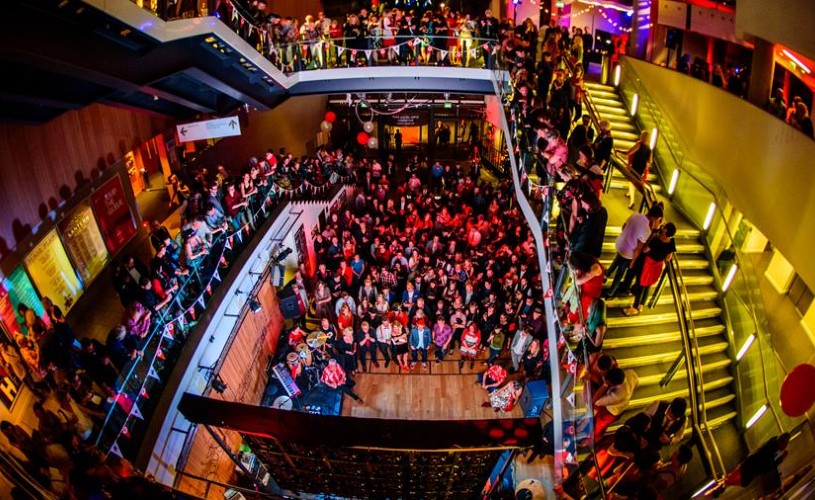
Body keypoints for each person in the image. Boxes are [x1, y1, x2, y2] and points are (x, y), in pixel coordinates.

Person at [606, 204, 663, 297]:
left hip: (620, 243)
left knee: (617, 259)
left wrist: (626, 236)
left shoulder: (635, 215)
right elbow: (638, 248)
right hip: (628, 252)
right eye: (659, 221)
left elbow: (623, 227)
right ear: (656, 218)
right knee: (620, 272)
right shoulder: (647, 230)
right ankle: (611, 291)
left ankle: (607, 274)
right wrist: (633, 261)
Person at [623, 222, 676, 316]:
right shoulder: (671, 242)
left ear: (666, 230)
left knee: (640, 283)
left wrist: (652, 238)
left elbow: (645, 250)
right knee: (648, 284)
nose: (662, 227)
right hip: (657, 266)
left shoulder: (656, 240)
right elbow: (668, 257)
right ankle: (641, 305)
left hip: (647, 264)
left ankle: (635, 307)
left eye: (664, 227)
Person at [592, 367, 639, 440]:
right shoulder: (631, 373)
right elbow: (637, 383)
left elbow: (595, 400)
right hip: (621, 405)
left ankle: (594, 440)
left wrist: (605, 385)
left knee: (599, 428)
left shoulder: (618, 395)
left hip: (610, 412)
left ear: (611, 384)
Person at [626, 130, 652, 208]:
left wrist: (619, 151)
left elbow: (629, 152)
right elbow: (650, 161)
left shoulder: (639, 145)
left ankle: (632, 201)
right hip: (642, 168)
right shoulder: (649, 149)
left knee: (631, 182)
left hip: (635, 166)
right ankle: (628, 193)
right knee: (635, 181)